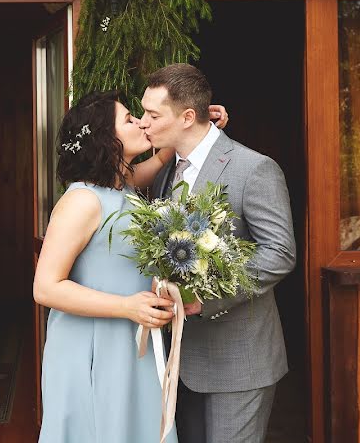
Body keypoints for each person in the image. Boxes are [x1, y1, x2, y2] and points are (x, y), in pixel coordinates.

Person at [33, 90, 227, 442]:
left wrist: (196, 124)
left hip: (130, 339)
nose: (140, 123)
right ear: (106, 138)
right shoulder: (81, 200)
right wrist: (126, 306)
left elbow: (160, 159)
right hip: (93, 345)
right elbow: (45, 287)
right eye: (129, 119)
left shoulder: (123, 186)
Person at [140, 63, 296, 443]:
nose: (144, 122)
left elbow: (279, 253)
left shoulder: (254, 168)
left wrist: (206, 299)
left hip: (239, 358)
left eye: (153, 114)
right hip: (180, 360)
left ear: (188, 117)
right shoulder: (163, 170)